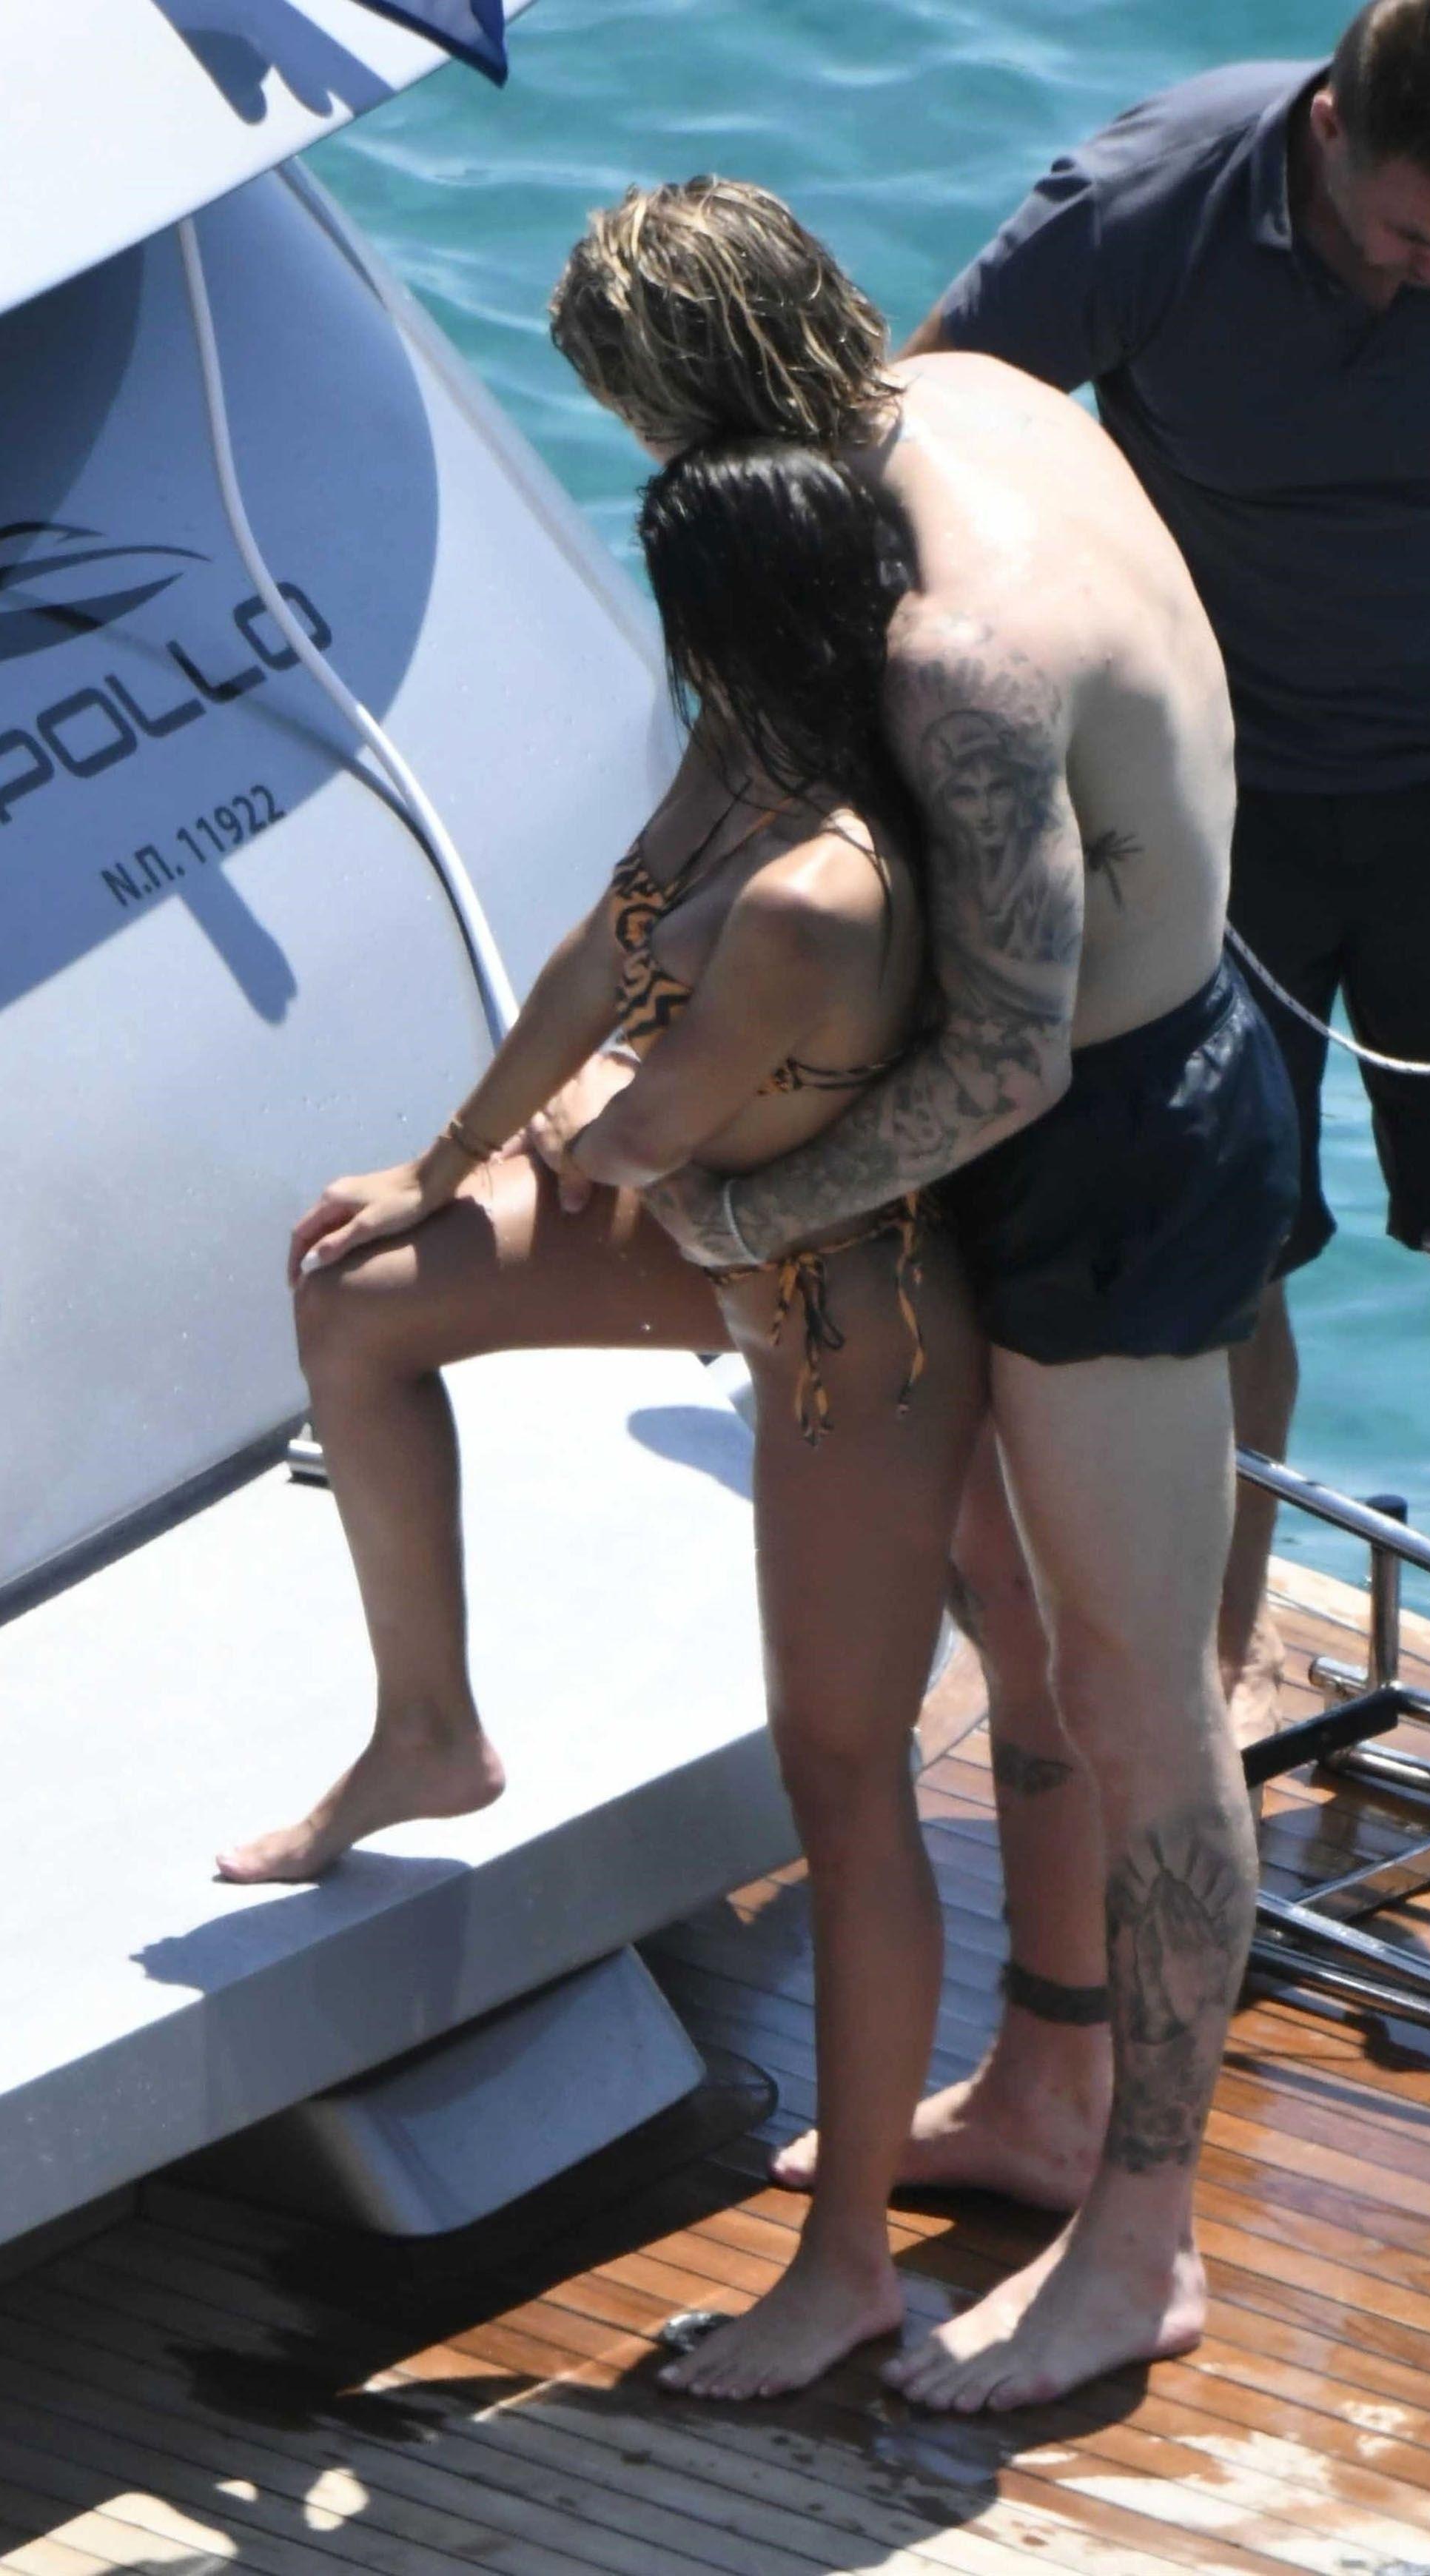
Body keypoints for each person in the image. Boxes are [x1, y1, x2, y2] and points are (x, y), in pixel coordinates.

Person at [865, 0, 1430, 2246]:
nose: (1425, 278)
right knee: (1216, 1284)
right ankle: (1172, 1790)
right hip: (1213, 809)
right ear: (1322, 130)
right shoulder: (1147, 206)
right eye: (1395, 239)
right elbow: (924, 431)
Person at [546, 175, 1299, 2409]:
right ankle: (1052, 2091)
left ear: (690, 422)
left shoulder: (957, 648)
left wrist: (750, 1216)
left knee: (1143, 1691)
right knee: (1024, 1631)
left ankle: (1143, 2242)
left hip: (1118, 1148)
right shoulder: (968, 386)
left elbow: (1015, 1060)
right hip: (1113, 1070)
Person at [216, 440, 993, 2401]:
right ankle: (428, 1734)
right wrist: (442, 1158)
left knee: (846, 1782)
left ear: (720, 619)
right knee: (356, 1296)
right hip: (713, 1231)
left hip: (843, 1322)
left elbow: (634, 1140)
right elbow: (605, 944)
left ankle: (846, 2266)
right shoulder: (746, 750)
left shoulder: (819, 888)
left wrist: (575, 1122)